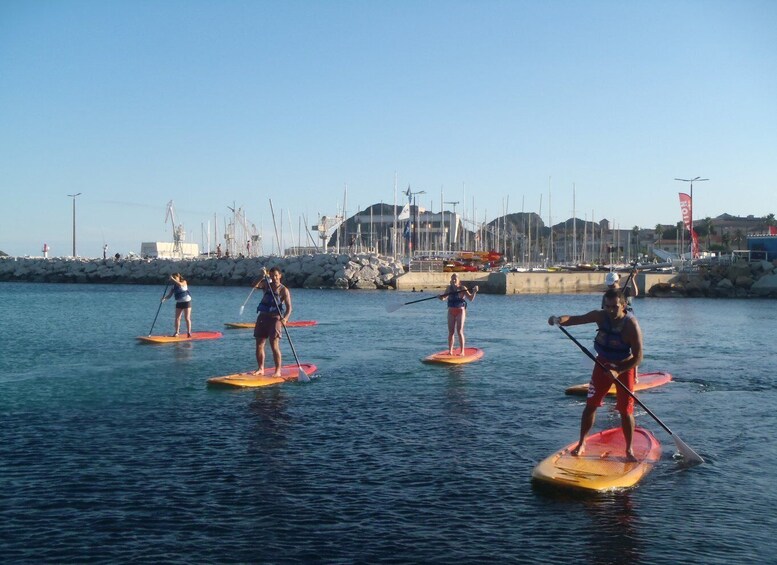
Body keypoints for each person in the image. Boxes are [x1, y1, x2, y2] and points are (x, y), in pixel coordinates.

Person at [548, 288, 643, 461]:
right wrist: (558, 319)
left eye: (615, 307)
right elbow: (577, 319)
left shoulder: (631, 325)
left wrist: (618, 370)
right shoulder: (600, 316)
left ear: (623, 305)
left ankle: (629, 450)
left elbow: (638, 357)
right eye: (607, 306)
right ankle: (582, 442)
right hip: (602, 363)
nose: (611, 310)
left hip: (624, 365)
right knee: (590, 405)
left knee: (625, 410)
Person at [253, 267, 292, 377]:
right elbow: (254, 285)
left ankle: (277, 371)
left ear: (280, 275)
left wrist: (285, 318)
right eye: (271, 276)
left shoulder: (283, 290)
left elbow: (289, 308)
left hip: (275, 319)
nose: (274, 278)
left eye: (276, 275)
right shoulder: (266, 284)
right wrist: (261, 275)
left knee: (274, 345)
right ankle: (260, 369)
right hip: (262, 317)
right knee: (259, 344)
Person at [438, 273, 478, 356]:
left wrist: (474, 292)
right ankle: (450, 351)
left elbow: (470, 299)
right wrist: (440, 297)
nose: (453, 280)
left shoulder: (462, 288)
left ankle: (462, 351)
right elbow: (444, 298)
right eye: (452, 279)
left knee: (459, 331)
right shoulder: (449, 288)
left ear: (458, 280)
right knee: (451, 332)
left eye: (455, 279)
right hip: (451, 311)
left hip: (460, 311)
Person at [162, 273, 192, 337]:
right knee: (177, 318)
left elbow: (180, 284)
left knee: (187, 318)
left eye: (175, 278)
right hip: (179, 302)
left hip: (186, 302)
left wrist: (172, 279)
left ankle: (189, 332)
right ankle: (177, 332)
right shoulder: (173, 286)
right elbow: (169, 295)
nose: (174, 280)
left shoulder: (184, 282)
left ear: (178, 278)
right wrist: (164, 298)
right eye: (173, 278)